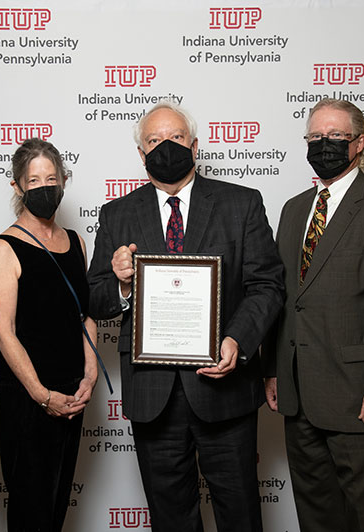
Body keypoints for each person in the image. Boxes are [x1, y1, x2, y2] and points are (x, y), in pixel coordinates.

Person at [87, 102, 284, 532]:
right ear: (141, 154)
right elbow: (96, 299)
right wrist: (120, 282)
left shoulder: (241, 203)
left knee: (240, 514)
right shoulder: (117, 214)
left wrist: (237, 340)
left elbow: (267, 285)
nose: (165, 148)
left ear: (194, 145)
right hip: (152, 394)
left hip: (223, 387)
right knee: (170, 518)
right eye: (154, 141)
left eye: (174, 138)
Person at [262, 98, 364, 532]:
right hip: (300, 400)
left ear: (359, 143)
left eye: (336, 136)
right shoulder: (295, 209)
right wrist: (275, 371)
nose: (325, 144)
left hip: (362, 401)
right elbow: (285, 300)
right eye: (315, 137)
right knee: (317, 519)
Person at [0, 138, 98, 531]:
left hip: (71, 397)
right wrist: (40, 394)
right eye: (34, 180)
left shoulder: (77, 243)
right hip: (28, 401)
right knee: (30, 515)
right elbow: (4, 331)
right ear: (17, 186)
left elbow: (84, 317)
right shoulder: (5, 247)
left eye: (51, 178)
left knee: (54, 514)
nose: (44, 187)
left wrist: (89, 375)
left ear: (64, 181)